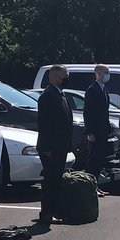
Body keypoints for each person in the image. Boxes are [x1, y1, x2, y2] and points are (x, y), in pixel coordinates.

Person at [36, 64, 72, 225]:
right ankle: (46, 213)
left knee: (56, 180)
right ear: (55, 77)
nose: (67, 78)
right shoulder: (48, 96)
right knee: (50, 181)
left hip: (60, 146)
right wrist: (46, 148)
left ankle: (53, 210)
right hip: (51, 148)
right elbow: (44, 125)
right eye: (65, 76)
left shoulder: (60, 94)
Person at [83, 63, 112, 177]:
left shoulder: (103, 89)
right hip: (95, 130)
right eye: (106, 73)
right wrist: (89, 132)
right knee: (93, 158)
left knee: (100, 158)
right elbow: (88, 112)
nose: (108, 75)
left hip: (103, 130)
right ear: (98, 74)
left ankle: (97, 184)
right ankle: (91, 184)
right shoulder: (92, 90)